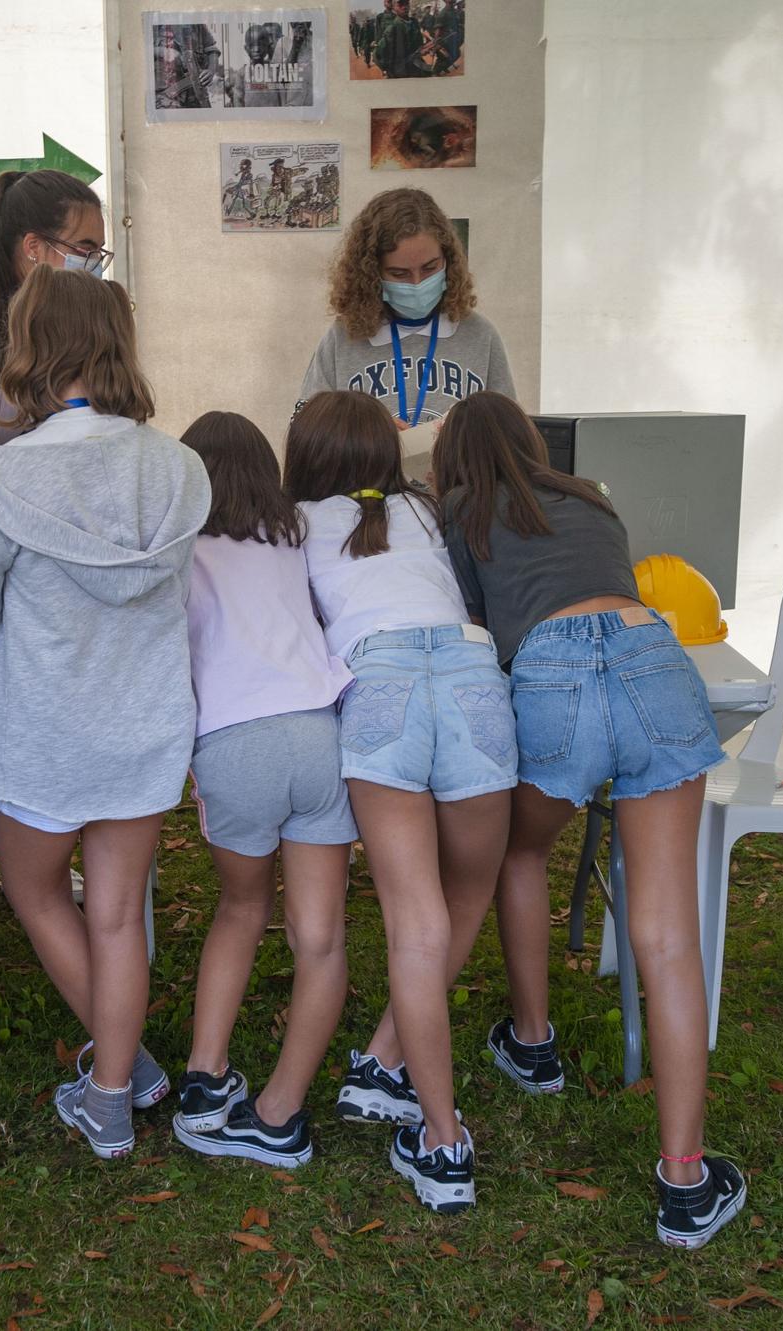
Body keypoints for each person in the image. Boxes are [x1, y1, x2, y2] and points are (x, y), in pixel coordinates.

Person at [434, 391, 746, 1249]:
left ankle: (533, 1042)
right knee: (668, 936)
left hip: (549, 673)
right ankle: (685, 1179)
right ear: (533, 445)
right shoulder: (592, 496)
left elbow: (472, 635)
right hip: (653, 657)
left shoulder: (459, 512)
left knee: (518, 853)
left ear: (455, 458)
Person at [0, 266, 210, 1160]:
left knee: (33, 889)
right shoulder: (179, 469)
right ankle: (114, 1081)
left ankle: (116, 1078)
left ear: (31, 346)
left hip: (48, 731)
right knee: (117, 912)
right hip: (144, 726)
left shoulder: (4, 474)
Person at [286, 390, 515, 1213]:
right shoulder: (425, 509)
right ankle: (385, 1067)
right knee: (470, 888)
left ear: (306, 457)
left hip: (380, 685)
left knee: (412, 919)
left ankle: (442, 1137)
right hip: (473, 679)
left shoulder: (299, 523)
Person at [172, 412, 354, 1168]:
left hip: (232, 742)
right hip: (317, 732)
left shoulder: (179, 552)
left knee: (242, 908)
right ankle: (278, 1114)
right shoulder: (293, 538)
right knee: (320, 937)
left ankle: (204, 1078)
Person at [297, 188, 514, 435]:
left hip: (458, 473)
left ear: (448, 260)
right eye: (399, 274)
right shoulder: (343, 338)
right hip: (369, 472)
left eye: (430, 268)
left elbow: (509, 432)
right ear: (372, 273)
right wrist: (366, 431)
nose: (417, 283)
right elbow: (305, 430)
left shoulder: (479, 334)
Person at [0, 169, 111, 450]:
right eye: (84, 250)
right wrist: (43, 352)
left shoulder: (70, 307)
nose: (94, 265)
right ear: (34, 247)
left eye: (99, 252)